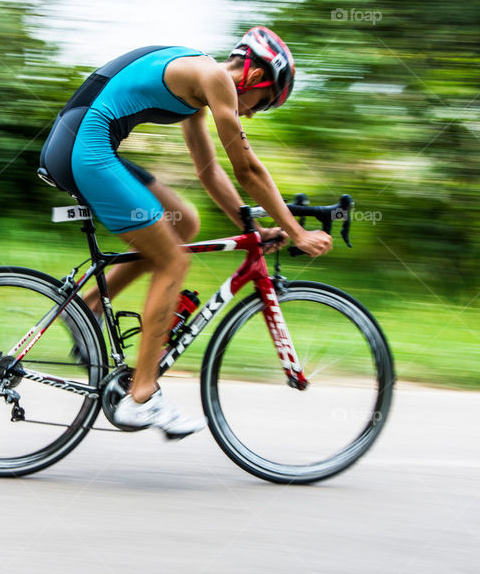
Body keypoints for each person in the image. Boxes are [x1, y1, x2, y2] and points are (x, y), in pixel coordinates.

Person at [38, 26, 332, 439]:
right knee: (173, 260)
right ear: (255, 76)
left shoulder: (198, 86)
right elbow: (246, 169)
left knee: (185, 223)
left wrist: (252, 227)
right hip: (82, 148)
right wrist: (296, 231)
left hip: (85, 141)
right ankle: (142, 396)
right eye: (261, 102)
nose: (250, 112)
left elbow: (209, 171)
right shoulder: (213, 79)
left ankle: (84, 308)